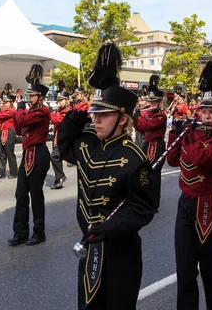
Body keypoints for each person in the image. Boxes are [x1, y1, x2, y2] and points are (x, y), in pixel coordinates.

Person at [57, 43, 155, 310]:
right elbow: (63, 144)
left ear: (123, 119)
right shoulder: (87, 143)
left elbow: (143, 209)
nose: (95, 120)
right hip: (90, 248)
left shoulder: (136, 158)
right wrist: (79, 114)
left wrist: (109, 228)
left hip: (120, 253)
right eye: (94, 114)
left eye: (103, 115)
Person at [166, 61, 212, 310]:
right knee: (184, 270)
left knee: (209, 269)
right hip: (186, 205)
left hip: (211, 207)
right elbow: (172, 159)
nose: (206, 116)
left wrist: (189, 136)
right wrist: (176, 134)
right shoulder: (193, 135)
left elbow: (201, 159)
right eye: (203, 111)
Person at [7, 64, 51, 247]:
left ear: (40, 96)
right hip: (27, 153)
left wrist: (19, 110)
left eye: (32, 95)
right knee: (20, 194)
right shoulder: (30, 110)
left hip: (38, 152)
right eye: (29, 95)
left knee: (36, 194)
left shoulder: (43, 110)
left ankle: (39, 232)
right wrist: (20, 112)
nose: (29, 98)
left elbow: (22, 120)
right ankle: (20, 232)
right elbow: (19, 128)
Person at [134, 75, 166, 211]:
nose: (151, 104)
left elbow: (148, 126)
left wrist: (140, 117)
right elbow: (141, 129)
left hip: (156, 145)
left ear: (159, 102)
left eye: (154, 102)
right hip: (148, 143)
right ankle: (146, 200)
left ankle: (154, 204)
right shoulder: (148, 114)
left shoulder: (161, 115)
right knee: (145, 172)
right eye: (150, 101)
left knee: (154, 174)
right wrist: (135, 119)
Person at [0, 92, 18, 180]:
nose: (4, 104)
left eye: (6, 102)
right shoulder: (5, 109)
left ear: (11, 103)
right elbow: (0, 114)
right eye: (4, 102)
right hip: (4, 131)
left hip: (10, 131)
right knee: (2, 153)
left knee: (10, 153)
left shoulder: (12, 110)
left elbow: (1, 115)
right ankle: (0, 173)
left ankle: (14, 172)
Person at [49, 81, 69, 189]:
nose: (60, 102)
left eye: (61, 100)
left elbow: (57, 120)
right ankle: (59, 179)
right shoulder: (59, 110)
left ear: (67, 100)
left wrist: (50, 113)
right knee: (57, 157)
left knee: (54, 156)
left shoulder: (67, 111)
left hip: (64, 137)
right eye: (59, 100)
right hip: (58, 136)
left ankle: (61, 176)